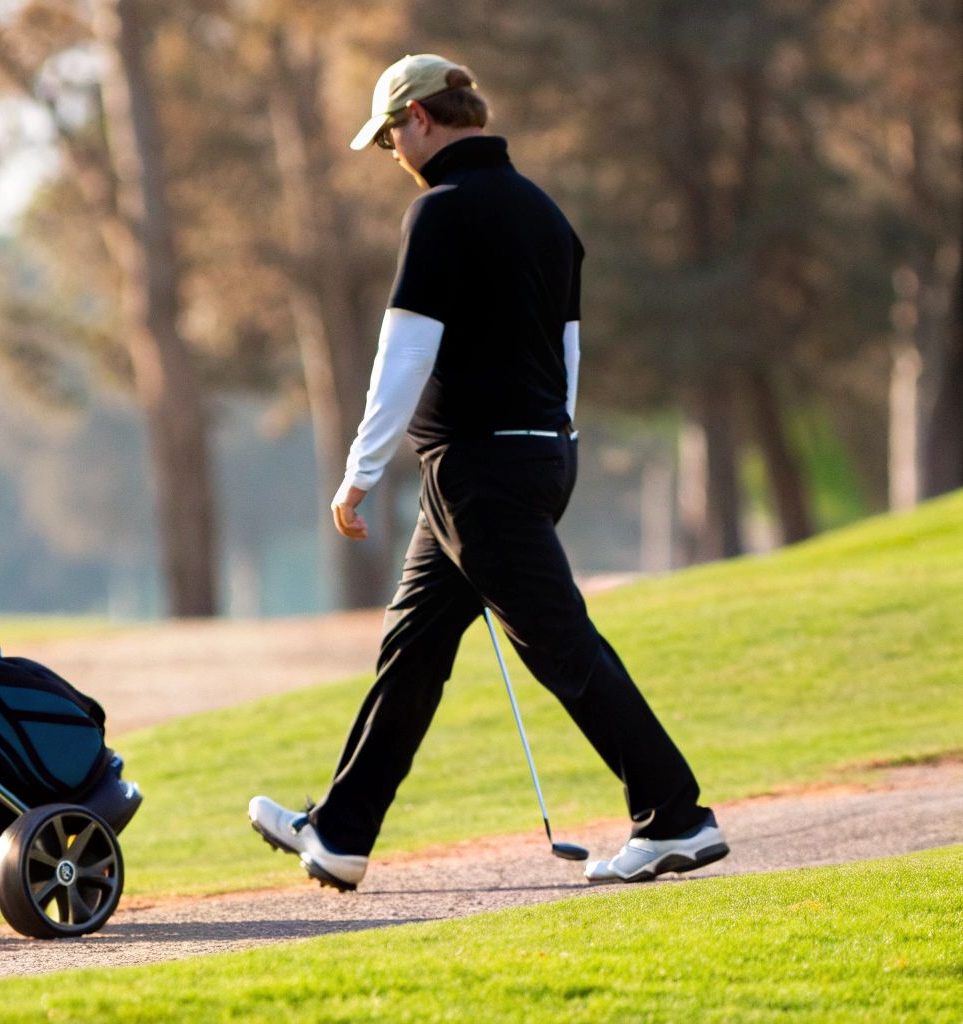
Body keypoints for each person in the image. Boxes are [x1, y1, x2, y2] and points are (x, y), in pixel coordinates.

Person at [248, 54, 726, 890]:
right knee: (415, 648)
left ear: (421, 120)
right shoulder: (546, 213)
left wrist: (358, 473)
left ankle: (675, 816)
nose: (393, 151)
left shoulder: (440, 212)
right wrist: (553, 443)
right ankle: (341, 833)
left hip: (478, 471)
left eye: (391, 134)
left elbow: (404, 353)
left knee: (562, 644)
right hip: (528, 457)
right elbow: (568, 354)